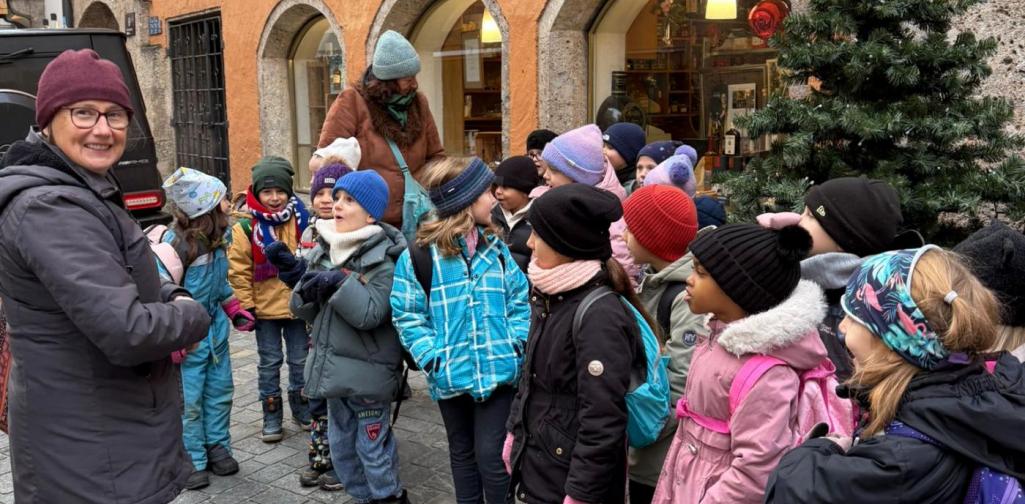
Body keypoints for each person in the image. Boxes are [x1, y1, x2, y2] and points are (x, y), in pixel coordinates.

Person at [0, 48, 211, 503]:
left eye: (116, 115)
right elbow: (127, 330)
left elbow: (123, 272)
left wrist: (168, 290)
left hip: (103, 436)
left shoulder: (81, 189)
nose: (103, 129)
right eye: (83, 113)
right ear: (49, 119)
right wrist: (192, 314)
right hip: (91, 452)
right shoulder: (51, 208)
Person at [765, 246, 1025, 502]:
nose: (842, 326)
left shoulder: (898, 463)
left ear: (895, 345)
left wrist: (824, 446)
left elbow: (789, 490)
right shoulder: (988, 393)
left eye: (854, 318)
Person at [653, 224, 841, 504]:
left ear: (739, 290)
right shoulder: (718, 338)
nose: (689, 280)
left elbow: (756, 471)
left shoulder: (767, 374)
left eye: (701, 273)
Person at [391, 157, 530, 503]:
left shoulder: (496, 250)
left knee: (492, 455)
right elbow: (407, 314)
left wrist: (514, 345)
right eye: (486, 191)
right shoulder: (420, 257)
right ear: (463, 201)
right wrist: (433, 358)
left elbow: (520, 302)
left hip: (499, 372)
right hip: (450, 374)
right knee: (462, 453)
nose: (495, 197)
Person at [504, 184, 647, 503]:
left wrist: (580, 493)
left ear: (564, 242)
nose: (528, 243)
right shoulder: (550, 295)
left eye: (537, 235)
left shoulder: (599, 316)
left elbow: (602, 419)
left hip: (566, 481)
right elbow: (530, 380)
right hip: (541, 466)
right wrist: (515, 434)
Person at [291, 170, 409, 503]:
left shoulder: (384, 258)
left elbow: (370, 314)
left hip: (368, 377)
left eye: (349, 200)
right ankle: (362, 498)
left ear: (371, 213)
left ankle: (389, 498)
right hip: (333, 374)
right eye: (336, 197)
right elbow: (305, 312)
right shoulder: (325, 247)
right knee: (342, 452)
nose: (336, 204)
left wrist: (339, 283)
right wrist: (299, 285)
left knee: (372, 450)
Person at [759, 177, 922, 382]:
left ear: (841, 240)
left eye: (810, 215)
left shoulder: (864, 302)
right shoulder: (801, 271)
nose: (798, 221)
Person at [160, 167, 254, 490]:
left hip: (216, 337)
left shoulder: (219, 241)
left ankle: (218, 446)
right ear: (207, 209)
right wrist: (172, 337)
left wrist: (235, 309)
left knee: (220, 392)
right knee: (190, 401)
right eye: (223, 199)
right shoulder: (177, 248)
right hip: (189, 343)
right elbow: (162, 295)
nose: (229, 203)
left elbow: (220, 286)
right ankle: (193, 458)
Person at [268, 163, 352, 491]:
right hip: (313, 328)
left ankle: (344, 460)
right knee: (315, 391)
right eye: (319, 193)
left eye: (336, 194)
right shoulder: (309, 233)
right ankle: (320, 457)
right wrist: (294, 275)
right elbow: (306, 278)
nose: (327, 200)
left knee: (340, 396)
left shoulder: (354, 233)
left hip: (343, 329)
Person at [621, 185, 703, 503]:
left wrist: (643, 429)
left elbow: (682, 384)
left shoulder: (684, 297)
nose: (625, 234)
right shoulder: (655, 281)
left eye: (632, 227)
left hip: (661, 458)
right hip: (647, 451)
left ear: (652, 238)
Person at [316, 30, 445, 229]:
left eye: (414, 76)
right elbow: (328, 161)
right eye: (407, 79)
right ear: (389, 81)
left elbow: (435, 156)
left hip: (416, 216)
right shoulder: (352, 101)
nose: (414, 84)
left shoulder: (419, 103)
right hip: (368, 221)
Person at [228, 156, 312, 442]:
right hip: (264, 311)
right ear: (256, 193)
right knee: (269, 362)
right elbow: (239, 271)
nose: (274, 198)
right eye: (267, 192)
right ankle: (272, 414)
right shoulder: (245, 228)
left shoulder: (303, 219)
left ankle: (302, 409)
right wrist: (246, 306)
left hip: (299, 308)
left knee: (301, 361)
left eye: (280, 191)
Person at [542, 124, 641, 282]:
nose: (545, 176)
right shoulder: (551, 203)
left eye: (553, 170)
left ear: (579, 176)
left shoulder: (611, 224)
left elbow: (623, 277)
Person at [491, 155, 542, 273]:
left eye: (505, 187)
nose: (498, 191)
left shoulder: (539, 219)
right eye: (496, 186)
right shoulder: (490, 216)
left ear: (525, 191)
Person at [602, 122, 646, 189]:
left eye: (610, 147)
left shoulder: (635, 187)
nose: (603, 151)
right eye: (603, 146)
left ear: (628, 155)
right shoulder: (607, 176)